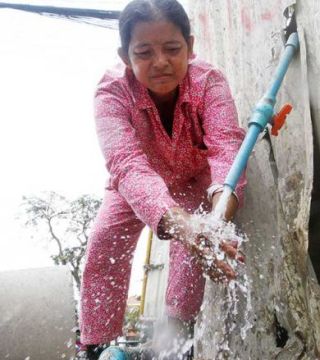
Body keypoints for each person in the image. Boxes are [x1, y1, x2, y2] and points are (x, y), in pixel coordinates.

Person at [77, 0, 246, 358]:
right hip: (134, 183)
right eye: (144, 52)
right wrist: (180, 223)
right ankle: (96, 345)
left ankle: (177, 340)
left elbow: (227, 149)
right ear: (125, 56)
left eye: (172, 49)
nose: (161, 62)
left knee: (194, 252)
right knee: (104, 241)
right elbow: (124, 163)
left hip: (194, 180)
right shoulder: (111, 94)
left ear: (191, 46)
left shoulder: (209, 82)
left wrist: (216, 223)